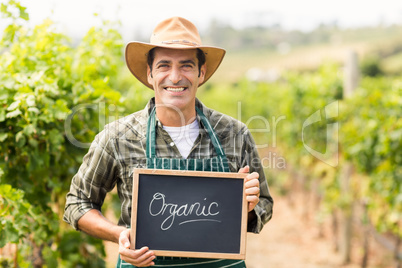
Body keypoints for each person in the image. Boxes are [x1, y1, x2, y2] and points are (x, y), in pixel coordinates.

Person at [64, 16, 273, 267]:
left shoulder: (234, 134)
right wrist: (121, 234)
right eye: (164, 65)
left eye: (186, 65)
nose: (175, 77)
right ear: (150, 74)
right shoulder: (118, 137)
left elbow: (264, 204)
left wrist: (248, 206)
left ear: (201, 73)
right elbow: (77, 203)